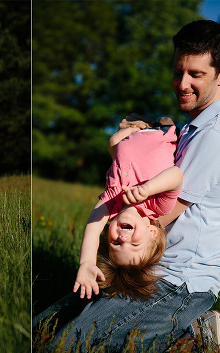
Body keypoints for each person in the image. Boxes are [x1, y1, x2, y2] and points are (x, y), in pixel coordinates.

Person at [35, 20, 220, 352]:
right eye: (178, 72)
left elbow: (158, 218)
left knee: (70, 346)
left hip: (179, 281)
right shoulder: (193, 125)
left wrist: (115, 194)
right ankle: (179, 331)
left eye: (196, 74)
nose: (183, 83)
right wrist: (135, 142)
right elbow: (154, 166)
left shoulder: (218, 137)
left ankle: (193, 334)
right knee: (41, 330)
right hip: (144, 265)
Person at [74, 117, 181, 301]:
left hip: (133, 135)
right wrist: (148, 189)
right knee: (165, 120)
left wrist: (87, 262)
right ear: (153, 232)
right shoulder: (157, 205)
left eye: (116, 244)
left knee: (113, 142)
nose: (123, 238)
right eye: (134, 244)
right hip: (163, 133)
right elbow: (176, 176)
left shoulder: (112, 202)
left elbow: (92, 228)